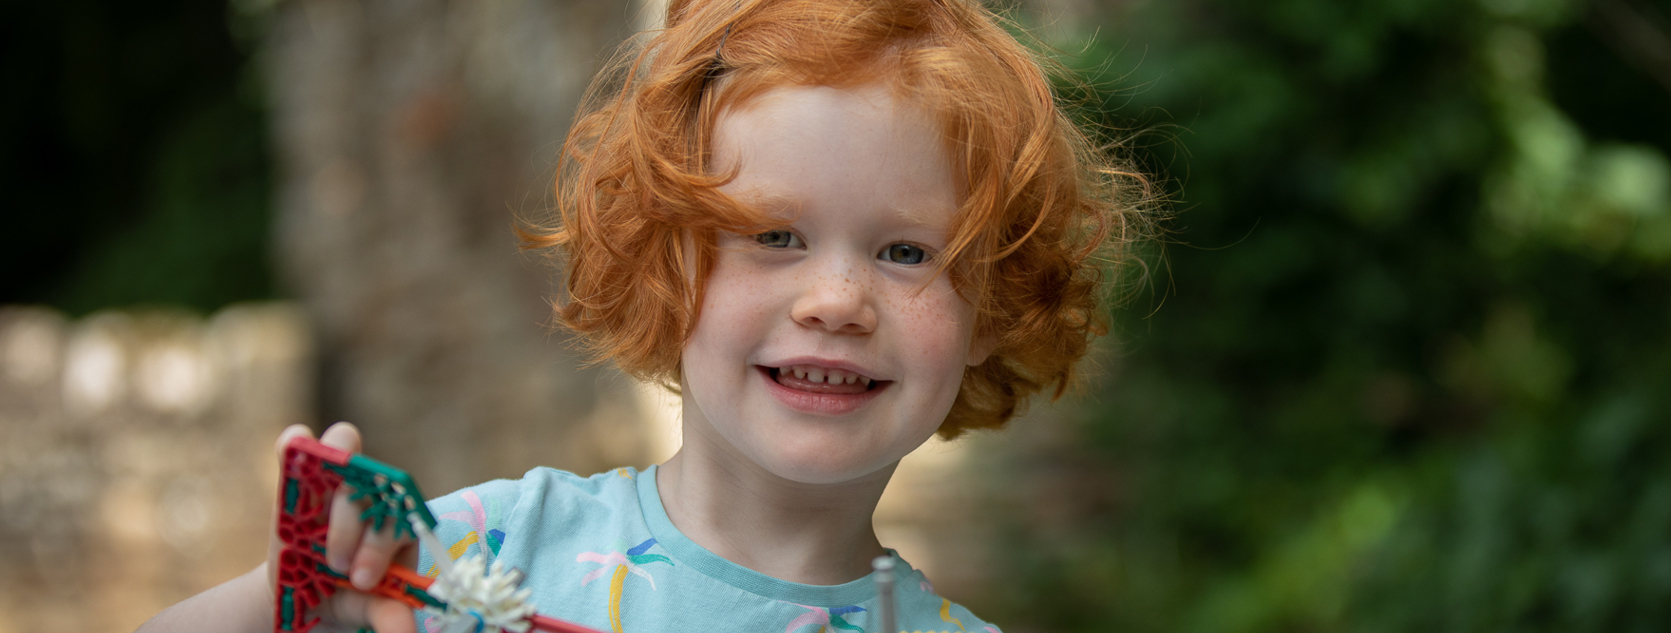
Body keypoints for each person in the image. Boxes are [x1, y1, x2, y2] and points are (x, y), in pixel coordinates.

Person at [139, 0, 1154, 630]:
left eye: (904, 253)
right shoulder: (475, 559)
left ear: (989, 311)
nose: (837, 300)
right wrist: (297, 591)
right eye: (773, 235)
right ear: (667, 268)